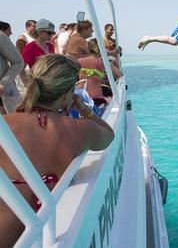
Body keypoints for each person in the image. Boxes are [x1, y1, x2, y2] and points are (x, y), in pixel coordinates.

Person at [0, 54, 115, 247]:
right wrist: (84, 109)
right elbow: (108, 135)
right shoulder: (78, 130)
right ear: (66, 94)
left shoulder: (5, 125)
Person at [0, 21, 23, 114]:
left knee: (14, 126)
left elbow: (18, 62)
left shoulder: (1, 37)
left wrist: (3, 82)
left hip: (4, 95)